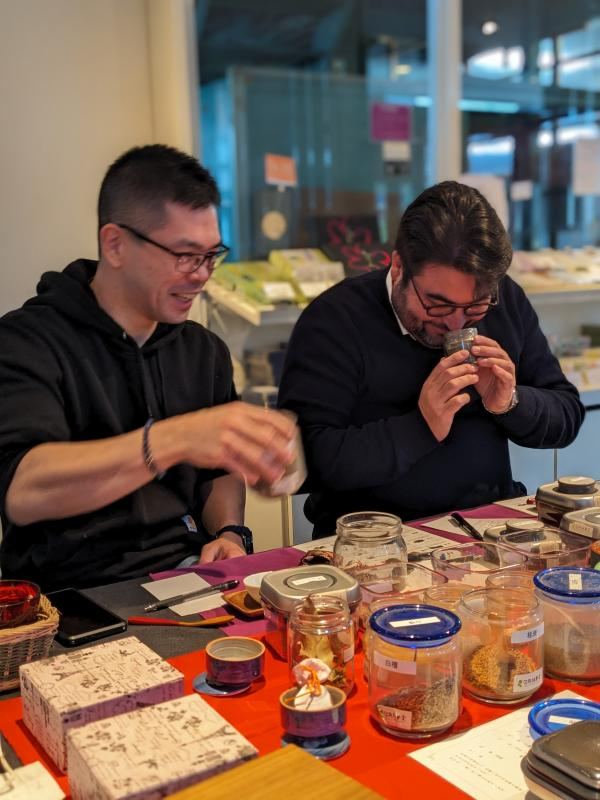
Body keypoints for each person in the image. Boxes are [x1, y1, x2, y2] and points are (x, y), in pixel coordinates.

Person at [0, 145, 297, 590]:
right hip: (68, 596)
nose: (201, 274)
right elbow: (23, 491)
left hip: (186, 574)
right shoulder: (27, 341)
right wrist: (173, 439)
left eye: (211, 255)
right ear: (115, 244)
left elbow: (222, 472)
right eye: (184, 254)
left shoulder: (202, 349)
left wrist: (228, 532)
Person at [278, 181, 585, 538]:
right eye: (437, 304)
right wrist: (421, 427)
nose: (455, 323)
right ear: (397, 268)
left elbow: (567, 415)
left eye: (475, 306)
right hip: (374, 542)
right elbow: (303, 464)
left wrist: (511, 403)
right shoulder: (335, 321)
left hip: (490, 529)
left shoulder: (507, 302)